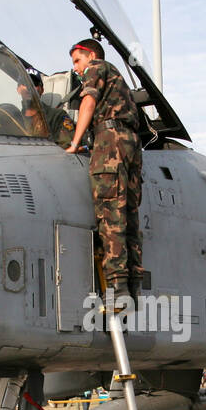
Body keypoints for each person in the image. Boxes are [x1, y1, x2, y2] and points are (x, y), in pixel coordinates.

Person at [64, 39, 143, 300]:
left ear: (91, 55)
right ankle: (134, 285)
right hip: (131, 144)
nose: (76, 68)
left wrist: (75, 143)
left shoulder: (96, 68)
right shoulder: (119, 80)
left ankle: (117, 287)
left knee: (111, 214)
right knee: (130, 215)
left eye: (77, 60)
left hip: (110, 142)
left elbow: (88, 103)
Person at [21, 69, 76, 149]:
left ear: (42, 90)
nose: (30, 88)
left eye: (34, 84)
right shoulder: (12, 117)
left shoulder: (57, 116)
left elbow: (67, 147)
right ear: (18, 89)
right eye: (25, 84)